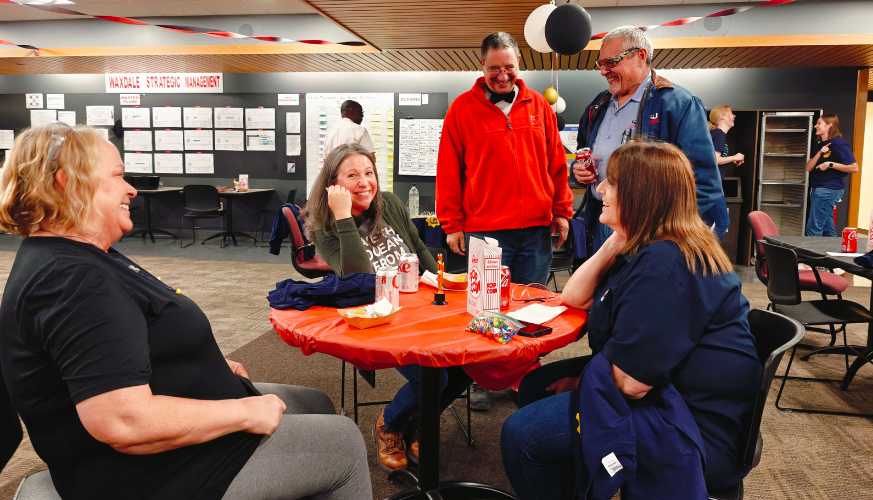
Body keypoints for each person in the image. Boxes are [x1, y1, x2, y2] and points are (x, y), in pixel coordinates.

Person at [0, 123, 372, 500]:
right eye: (116, 176)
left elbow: (114, 346)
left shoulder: (79, 257)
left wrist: (200, 361)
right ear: (68, 183)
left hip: (175, 425)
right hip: (146, 474)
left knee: (315, 403)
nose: (131, 188)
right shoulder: (71, 279)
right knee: (343, 443)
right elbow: (124, 422)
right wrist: (243, 413)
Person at [501, 142, 762, 499]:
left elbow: (631, 382)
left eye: (612, 182)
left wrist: (584, 384)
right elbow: (573, 297)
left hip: (690, 423)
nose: (599, 189)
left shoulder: (667, 265)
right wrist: (615, 241)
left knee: (520, 435)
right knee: (536, 385)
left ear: (643, 195)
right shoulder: (654, 244)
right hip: (679, 392)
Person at [305, 143, 471, 472]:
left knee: (469, 364)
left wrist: (442, 285)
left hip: (422, 310)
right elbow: (358, 280)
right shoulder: (325, 227)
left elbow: (418, 245)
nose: (364, 182)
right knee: (434, 379)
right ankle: (390, 424)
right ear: (333, 184)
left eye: (369, 173)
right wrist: (343, 217)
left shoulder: (391, 204)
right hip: (378, 321)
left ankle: (422, 422)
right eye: (352, 175)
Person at [436, 31, 573, 286]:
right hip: (486, 233)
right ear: (482, 65)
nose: (502, 76)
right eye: (494, 68)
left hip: (536, 232)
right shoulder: (461, 110)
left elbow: (557, 164)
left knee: (532, 307)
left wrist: (562, 211)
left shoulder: (540, 105)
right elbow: (448, 172)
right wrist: (452, 226)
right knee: (489, 312)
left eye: (509, 67)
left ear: (519, 62)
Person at [573, 26, 722, 254]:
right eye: (600, 64)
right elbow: (583, 147)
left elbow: (704, 183)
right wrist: (580, 171)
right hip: (603, 225)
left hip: (651, 233)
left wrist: (663, 232)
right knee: (605, 290)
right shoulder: (598, 105)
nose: (604, 71)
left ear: (640, 56)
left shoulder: (679, 104)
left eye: (611, 62)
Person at [805, 114, 858, 237]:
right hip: (820, 189)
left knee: (814, 228)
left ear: (829, 126)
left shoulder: (838, 144)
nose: (815, 126)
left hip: (828, 189)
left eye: (819, 123)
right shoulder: (821, 145)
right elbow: (809, 167)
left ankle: (811, 256)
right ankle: (833, 255)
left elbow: (854, 168)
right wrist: (819, 153)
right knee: (828, 229)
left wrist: (830, 164)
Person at [706, 105, 746, 241]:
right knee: (723, 223)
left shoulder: (717, 134)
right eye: (731, 114)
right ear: (722, 117)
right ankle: (710, 257)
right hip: (713, 186)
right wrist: (734, 157)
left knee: (704, 224)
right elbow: (715, 160)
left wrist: (730, 160)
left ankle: (696, 257)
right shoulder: (719, 134)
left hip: (710, 185)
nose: (734, 116)